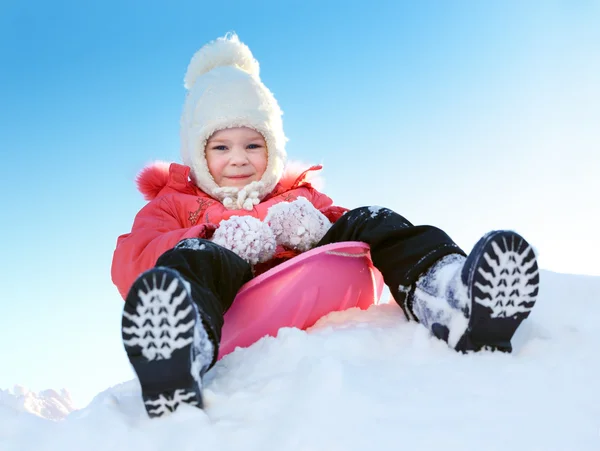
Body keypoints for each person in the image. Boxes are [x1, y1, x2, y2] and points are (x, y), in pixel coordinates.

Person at [111, 34, 540, 418]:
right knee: (191, 258)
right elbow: (134, 259)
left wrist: (316, 223)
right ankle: (179, 350)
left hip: (313, 283)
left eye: (253, 144)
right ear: (197, 152)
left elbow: (347, 230)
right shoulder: (176, 203)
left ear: (273, 147)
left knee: (372, 218)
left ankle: (448, 294)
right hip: (230, 302)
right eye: (220, 146)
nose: (238, 158)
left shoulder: (296, 192)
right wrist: (212, 231)